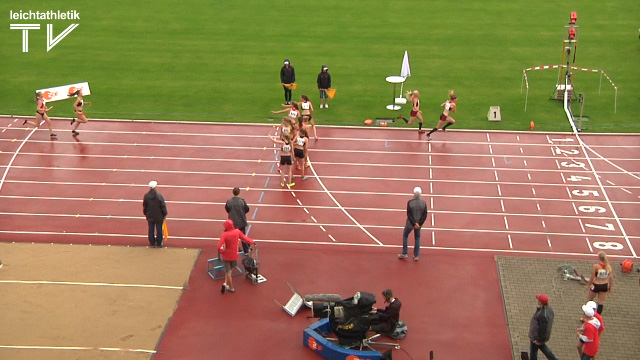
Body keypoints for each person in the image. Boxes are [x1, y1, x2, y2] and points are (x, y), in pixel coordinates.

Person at [217, 219, 255, 294]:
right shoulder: (237, 232)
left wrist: (222, 252)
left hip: (226, 256)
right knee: (230, 269)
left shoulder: (224, 234)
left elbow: (218, 246)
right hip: (234, 255)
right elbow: (244, 238)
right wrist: (252, 241)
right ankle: (226, 283)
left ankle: (231, 287)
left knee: (227, 272)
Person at [398, 187, 427, 261]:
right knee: (417, 238)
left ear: (414, 193)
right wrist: (419, 223)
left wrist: (414, 223)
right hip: (419, 225)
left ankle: (405, 253)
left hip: (410, 224)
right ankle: (416, 255)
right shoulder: (423, 203)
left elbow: (409, 214)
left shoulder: (410, 202)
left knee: (405, 235)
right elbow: (424, 214)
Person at [528, 294, 558, 360]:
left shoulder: (541, 314)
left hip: (536, 336)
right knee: (542, 346)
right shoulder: (549, 309)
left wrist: (539, 339)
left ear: (540, 302)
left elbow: (542, 328)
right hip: (543, 336)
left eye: (538, 300)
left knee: (533, 351)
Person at [142, 180, 168, 248]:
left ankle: (152, 242)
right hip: (159, 216)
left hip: (150, 215)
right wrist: (164, 214)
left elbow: (145, 205)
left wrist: (145, 213)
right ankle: (159, 243)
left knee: (151, 228)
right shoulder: (159, 196)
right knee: (159, 229)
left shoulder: (146, 196)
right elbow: (163, 206)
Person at [225, 187, 251, 253]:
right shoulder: (242, 201)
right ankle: (246, 250)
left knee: (233, 237)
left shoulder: (229, 201)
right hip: (241, 221)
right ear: (239, 192)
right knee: (243, 237)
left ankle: (234, 249)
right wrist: (242, 212)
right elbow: (247, 209)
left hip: (232, 223)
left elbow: (227, 209)